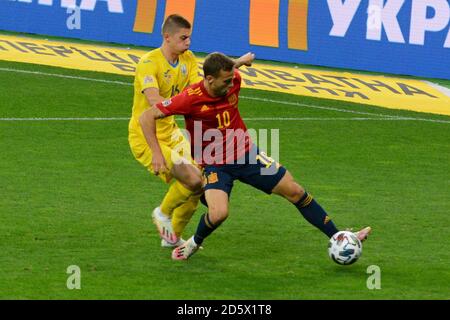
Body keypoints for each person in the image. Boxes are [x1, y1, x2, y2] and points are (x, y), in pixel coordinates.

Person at [146, 52, 372, 260]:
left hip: (247, 154)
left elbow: (227, 71)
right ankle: (194, 243)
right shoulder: (189, 98)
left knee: (295, 191)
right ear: (210, 79)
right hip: (216, 164)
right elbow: (146, 118)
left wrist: (239, 63)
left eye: (232, 77)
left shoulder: (233, 80)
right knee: (219, 213)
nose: (231, 83)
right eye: (226, 80)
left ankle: (338, 236)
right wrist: (157, 153)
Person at [129, 15, 255, 248]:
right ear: (167, 37)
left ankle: (172, 237)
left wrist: (236, 63)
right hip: (146, 136)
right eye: (183, 37)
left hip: (172, 133)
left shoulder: (188, 59)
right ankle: (162, 213)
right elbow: (155, 102)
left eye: (189, 37)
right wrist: (157, 154)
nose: (188, 42)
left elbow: (205, 85)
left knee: (200, 181)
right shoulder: (149, 64)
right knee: (193, 179)